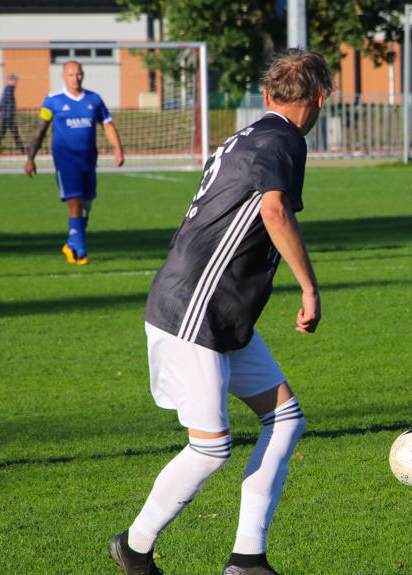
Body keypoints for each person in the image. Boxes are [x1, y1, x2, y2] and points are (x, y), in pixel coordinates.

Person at [107, 48, 332, 575]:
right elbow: (273, 209)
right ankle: (135, 547)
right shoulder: (282, 140)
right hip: (196, 310)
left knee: (284, 419)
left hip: (220, 310)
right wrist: (309, 288)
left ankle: (247, 559)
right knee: (210, 449)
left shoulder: (250, 134)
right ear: (320, 99)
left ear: (270, 95)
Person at [25, 60, 124, 265]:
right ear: (64, 76)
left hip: (88, 161)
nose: (76, 78)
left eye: (79, 74)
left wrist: (118, 149)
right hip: (65, 161)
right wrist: (30, 158)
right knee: (75, 202)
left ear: (83, 75)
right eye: (71, 74)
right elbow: (40, 130)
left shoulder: (94, 100)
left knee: (86, 206)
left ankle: (71, 243)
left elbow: (107, 125)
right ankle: (81, 251)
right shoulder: (52, 100)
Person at [0, 74, 27, 155]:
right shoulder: (8, 89)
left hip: (9, 115)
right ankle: (22, 149)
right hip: (7, 115)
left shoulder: (9, 89)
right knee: (11, 132)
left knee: (10, 132)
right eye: (15, 80)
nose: (16, 82)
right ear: (11, 80)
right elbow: (3, 100)